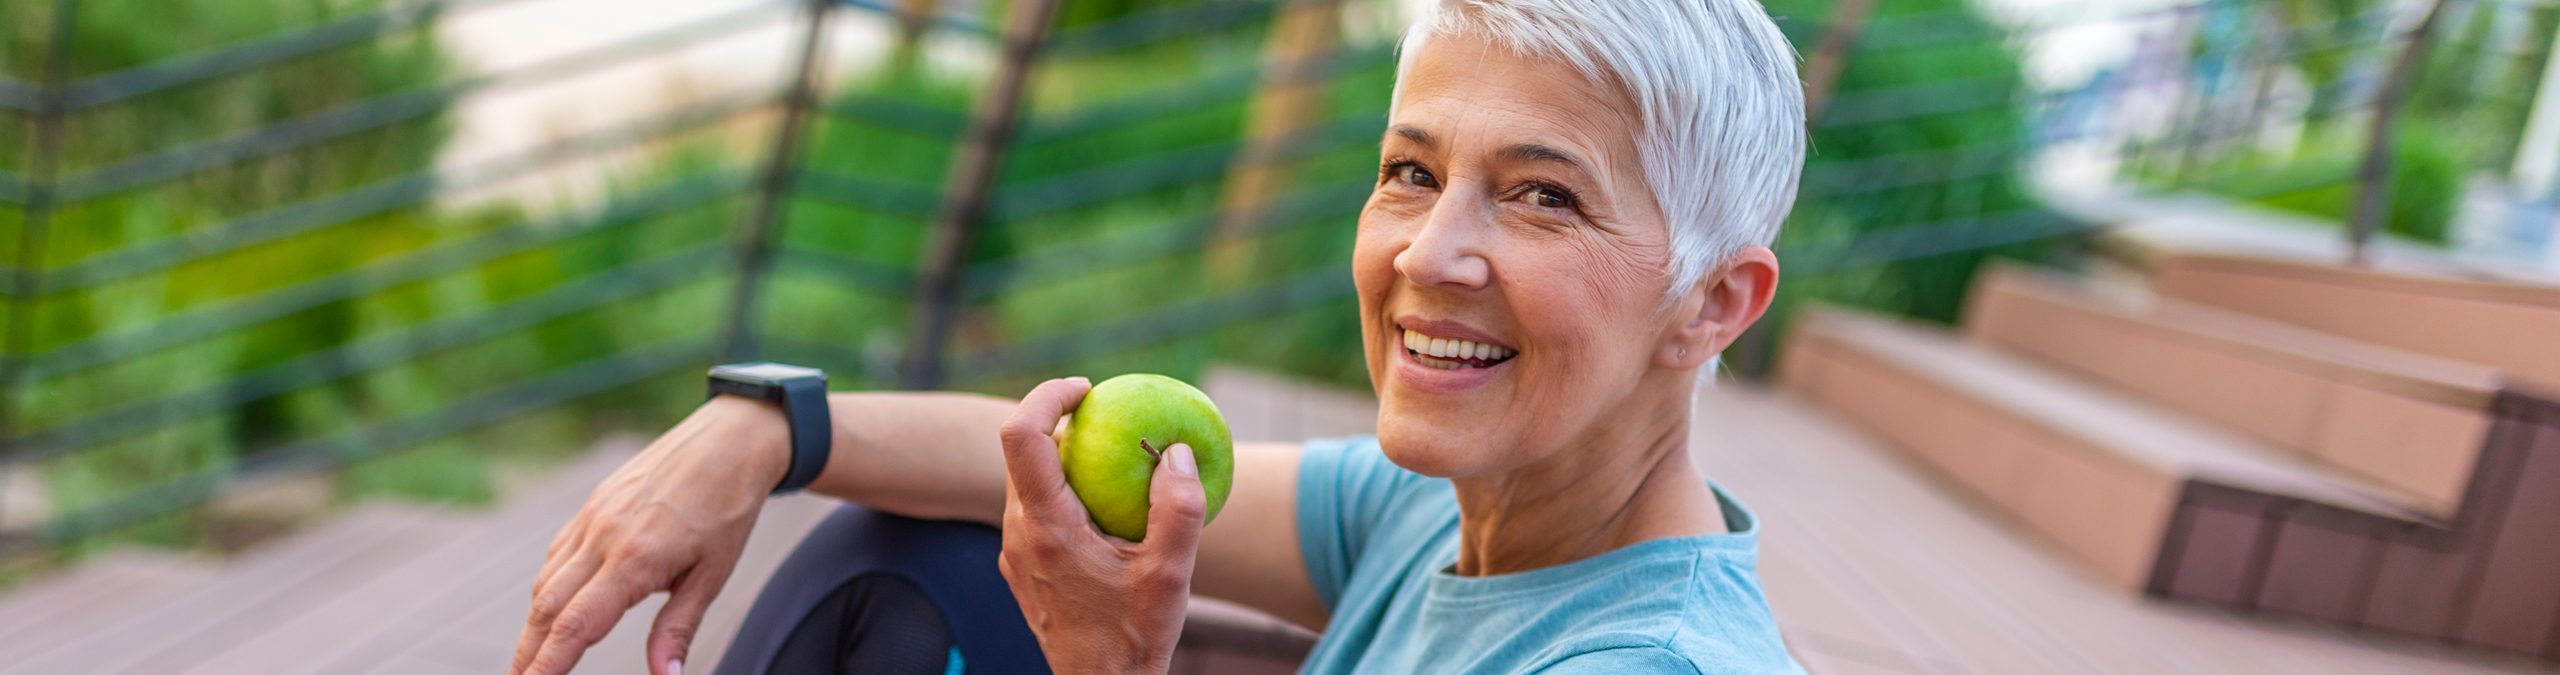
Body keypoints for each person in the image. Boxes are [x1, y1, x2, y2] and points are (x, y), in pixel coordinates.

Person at [507, 0, 1807, 672]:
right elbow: (1032, 461)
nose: (1428, 252)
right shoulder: (1457, 508)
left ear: (1714, 302)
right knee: (902, 550)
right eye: (1412, 172)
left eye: (1543, 196)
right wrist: (766, 426)